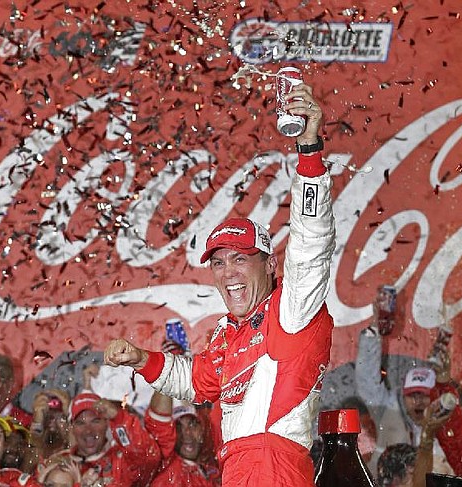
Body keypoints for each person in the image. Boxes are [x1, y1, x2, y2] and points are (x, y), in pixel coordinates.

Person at [103, 81, 334, 486]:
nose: (228, 272)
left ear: (269, 264)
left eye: (241, 260)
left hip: (274, 468)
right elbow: (194, 382)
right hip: (238, 469)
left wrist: (310, 151)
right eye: (220, 263)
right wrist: (141, 359)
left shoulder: (290, 310)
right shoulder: (228, 334)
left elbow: (312, 244)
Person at [355, 323, 462, 474]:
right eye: (413, 395)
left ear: (436, 398)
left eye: (425, 395)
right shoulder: (392, 412)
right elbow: (368, 386)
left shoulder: (457, 428)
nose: (418, 401)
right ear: (403, 396)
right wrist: (372, 334)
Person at [43, 391, 161, 486]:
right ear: (72, 427)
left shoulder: (122, 460)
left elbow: (148, 458)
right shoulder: (56, 461)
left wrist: (119, 419)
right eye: (80, 423)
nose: (88, 430)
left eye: (95, 421)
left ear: (107, 423)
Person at [145, 390, 220, 486]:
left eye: (192, 424)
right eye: (179, 427)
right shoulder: (164, 464)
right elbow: (158, 421)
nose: (187, 432)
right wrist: (168, 381)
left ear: (201, 429)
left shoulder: (211, 465)